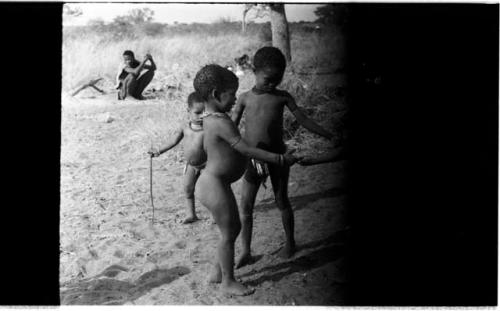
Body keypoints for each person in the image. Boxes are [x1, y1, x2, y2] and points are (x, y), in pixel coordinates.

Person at [193, 64, 300, 296]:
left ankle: (217, 272)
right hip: (214, 184)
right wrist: (279, 158)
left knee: (229, 229)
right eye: (231, 93)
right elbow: (244, 148)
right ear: (215, 94)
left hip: (213, 183)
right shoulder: (221, 122)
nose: (234, 99)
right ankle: (228, 282)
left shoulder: (212, 117)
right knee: (230, 231)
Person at [231, 46, 334, 268]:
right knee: (246, 207)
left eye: (277, 79)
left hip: (279, 157)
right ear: (254, 71)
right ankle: (246, 251)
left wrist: (328, 134)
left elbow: (304, 120)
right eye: (268, 79)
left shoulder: (283, 97)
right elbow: (230, 127)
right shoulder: (244, 98)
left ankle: (290, 243)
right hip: (253, 159)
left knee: (282, 201)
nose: (272, 84)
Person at [148, 92, 206, 224]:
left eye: (205, 112)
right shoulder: (185, 126)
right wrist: (159, 151)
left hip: (207, 165)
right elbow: (173, 140)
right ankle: (191, 214)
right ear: (188, 111)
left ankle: (216, 214)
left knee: (208, 192)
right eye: (198, 112)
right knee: (187, 188)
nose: (202, 116)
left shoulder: (208, 129)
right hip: (191, 165)